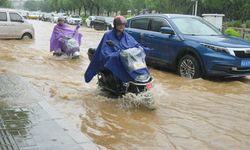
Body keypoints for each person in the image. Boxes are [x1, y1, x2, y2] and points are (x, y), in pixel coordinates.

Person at [84, 16, 149, 83]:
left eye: (123, 25)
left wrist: (141, 48)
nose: (121, 26)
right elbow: (104, 51)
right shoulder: (108, 35)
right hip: (111, 56)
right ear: (115, 25)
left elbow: (134, 44)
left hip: (125, 57)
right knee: (113, 58)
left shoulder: (126, 35)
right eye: (119, 25)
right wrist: (116, 53)